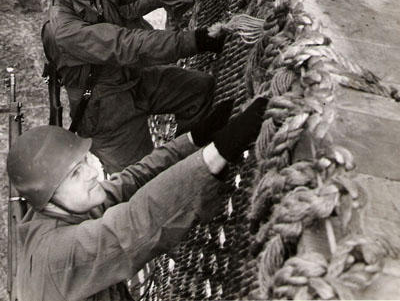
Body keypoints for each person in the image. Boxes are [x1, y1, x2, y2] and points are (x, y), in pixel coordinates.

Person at [32, 0, 244, 174]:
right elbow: (129, 45)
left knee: (199, 89)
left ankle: (190, 165)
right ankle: (178, 180)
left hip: (132, 81)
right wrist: (196, 41)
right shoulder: (63, 30)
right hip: (108, 116)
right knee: (139, 181)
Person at [7, 97, 267, 301]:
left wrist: (192, 140)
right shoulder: (56, 255)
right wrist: (217, 152)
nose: (92, 172)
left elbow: (130, 181)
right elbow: (132, 226)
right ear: (49, 197)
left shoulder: (65, 208)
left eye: (84, 161)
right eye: (75, 174)